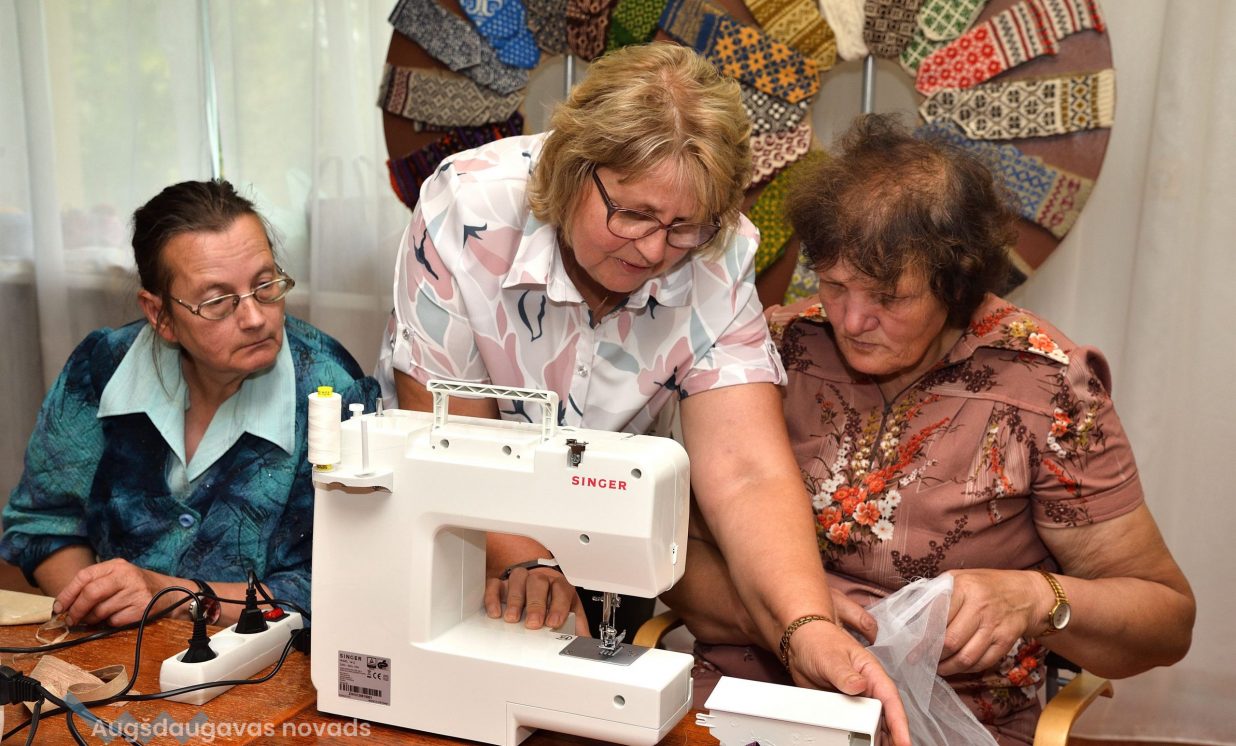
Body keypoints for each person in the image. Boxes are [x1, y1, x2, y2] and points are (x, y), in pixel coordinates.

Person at [376, 43, 911, 745]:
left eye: (684, 226)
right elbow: (447, 431)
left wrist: (805, 625)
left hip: (598, 530)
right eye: (633, 215)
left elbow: (746, 469)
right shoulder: (466, 209)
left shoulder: (719, 252)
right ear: (574, 171)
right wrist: (524, 556)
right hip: (456, 518)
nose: (655, 252)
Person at [670, 114, 1196, 745]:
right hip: (749, 698)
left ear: (956, 284)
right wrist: (793, 620)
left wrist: (1038, 598)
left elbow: (1166, 621)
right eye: (835, 285)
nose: (852, 320)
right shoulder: (776, 352)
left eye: (889, 298)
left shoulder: (1045, 388)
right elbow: (677, 561)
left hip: (943, 723)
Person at [0, 180, 379, 628]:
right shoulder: (102, 369)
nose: (255, 317)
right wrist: (97, 605)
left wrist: (171, 597)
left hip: (263, 660)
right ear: (160, 315)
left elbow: (333, 586)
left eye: (265, 285)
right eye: (217, 301)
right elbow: (45, 521)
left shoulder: (331, 393)